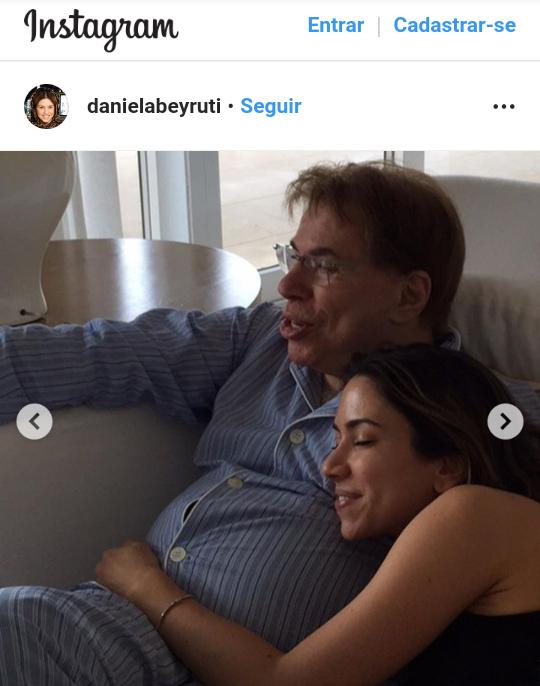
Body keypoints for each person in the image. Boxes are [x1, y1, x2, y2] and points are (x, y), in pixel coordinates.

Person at [0, 161, 537, 685]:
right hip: (96, 629)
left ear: (409, 295)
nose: (287, 284)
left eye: (324, 266)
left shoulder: (479, 419)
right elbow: (95, 354)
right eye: (291, 257)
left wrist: (149, 589)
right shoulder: (259, 341)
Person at [94, 344, 540, 686]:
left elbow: (284, 682)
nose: (330, 466)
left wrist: (147, 588)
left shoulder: (473, 514)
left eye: (362, 441)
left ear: (447, 465)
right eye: (335, 438)